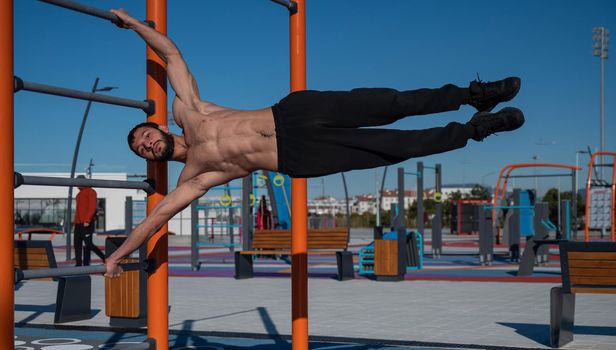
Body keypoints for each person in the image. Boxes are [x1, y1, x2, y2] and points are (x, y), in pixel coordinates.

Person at [105, 9, 525, 277]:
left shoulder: (189, 109)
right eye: (141, 149)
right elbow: (154, 219)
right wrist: (116, 256)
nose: (146, 144)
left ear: (159, 126)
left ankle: (474, 94)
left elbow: (173, 55)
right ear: (151, 157)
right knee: (399, 146)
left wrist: (134, 25)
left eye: (145, 135)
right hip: (298, 155)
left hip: (293, 113)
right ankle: (477, 129)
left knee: (391, 103)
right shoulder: (193, 177)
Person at [73, 175, 106, 266]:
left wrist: (87, 220)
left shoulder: (91, 192)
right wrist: (75, 222)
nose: (76, 185)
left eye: (77, 183)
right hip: (78, 223)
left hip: (87, 223)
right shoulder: (79, 194)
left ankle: (104, 258)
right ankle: (78, 264)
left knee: (88, 244)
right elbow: (78, 210)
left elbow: (92, 207)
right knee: (77, 244)